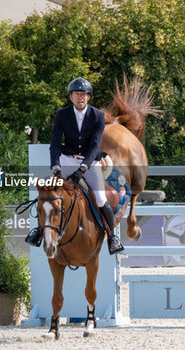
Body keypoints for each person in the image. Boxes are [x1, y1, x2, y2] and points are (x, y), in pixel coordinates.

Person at [49, 77, 124, 255]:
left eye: (83, 94)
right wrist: (56, 167)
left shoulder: (97, 116)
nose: (80, 97)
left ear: (88, 97)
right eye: (77, 94)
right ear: (71, 97)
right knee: (51, 194)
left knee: (100, 198)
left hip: (89, 163)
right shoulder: (62, 115)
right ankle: (39, 232)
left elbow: (95, 146)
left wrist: (82, 168)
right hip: (67, 160)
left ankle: (112, 237)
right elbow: (54, 143)